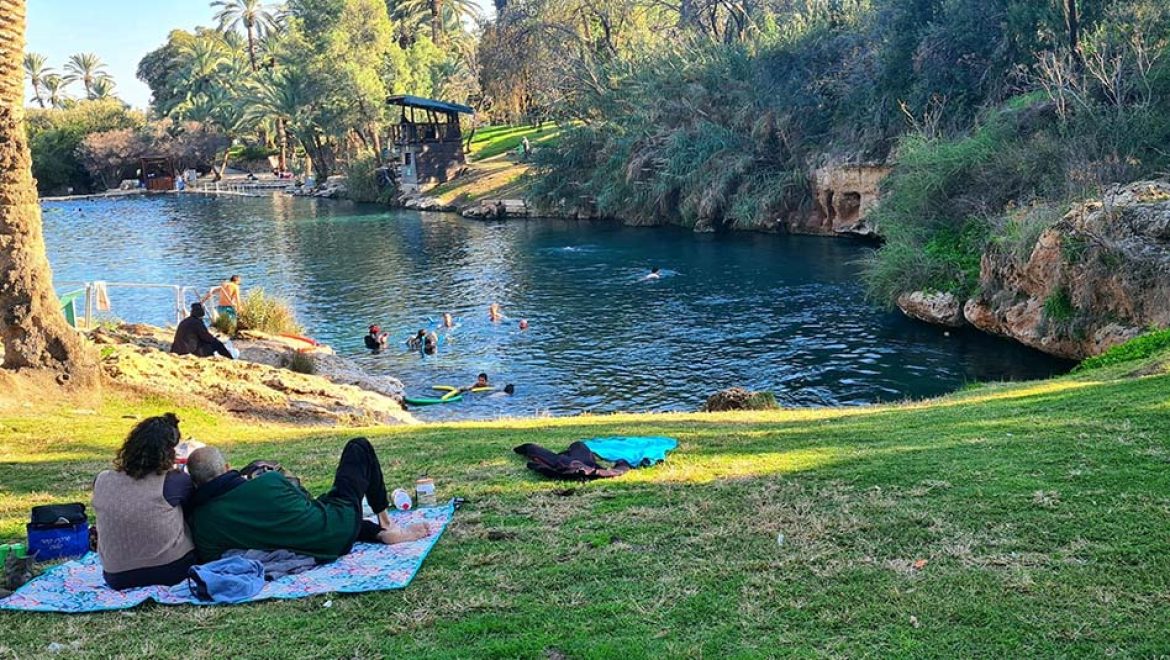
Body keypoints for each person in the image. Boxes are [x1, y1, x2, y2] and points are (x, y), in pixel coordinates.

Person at [185, 438, 431, 563]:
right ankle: (386, 522)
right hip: (334, 531)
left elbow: (214, 556)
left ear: (194, 483)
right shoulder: (268, 482)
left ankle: (376, 532)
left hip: (305, 546)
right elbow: (308, 502)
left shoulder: (202, 521)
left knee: (316, 517)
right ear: (228, 468)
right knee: (359, 447)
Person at [92, 414, 196, 589]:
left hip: (116, 576)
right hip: (171, 571)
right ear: (169, 451)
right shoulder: (174, 481)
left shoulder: (102, 480)